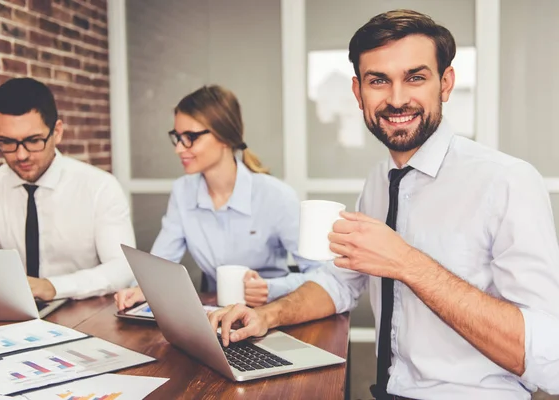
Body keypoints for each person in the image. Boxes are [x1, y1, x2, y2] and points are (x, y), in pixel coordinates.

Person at [208, 10, 559, 399]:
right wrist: (265, 315)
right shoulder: (379, 181)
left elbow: (549, 357)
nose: (396, 99)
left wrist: (407, 263)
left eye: (416, 77)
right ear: (358, 93)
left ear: (446, 83)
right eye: (379, 81)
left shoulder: (508, 181)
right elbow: (341, 281)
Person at [114, 85, 321, 311]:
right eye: (177, 137)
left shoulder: (276, 196)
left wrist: (271, 288)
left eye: (190, 137)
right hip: (216, 317)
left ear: (224, 137)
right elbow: (161, 263)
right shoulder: (183, 191)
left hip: (273, 314)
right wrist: (141, 288)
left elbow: (321, 274)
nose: (179, 149)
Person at [0, 77, 136, 301]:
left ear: (57, 132)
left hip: (86, 310)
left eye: (33, 140)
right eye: (6, 142)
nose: (21, 155)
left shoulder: (99, 187)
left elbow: (122, 268)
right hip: (14, 311)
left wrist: (53, 287)